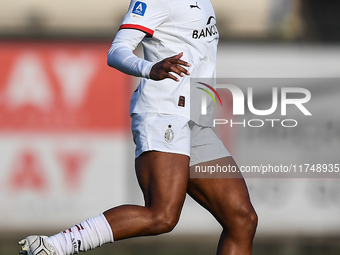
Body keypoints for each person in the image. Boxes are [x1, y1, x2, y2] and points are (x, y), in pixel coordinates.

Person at [18, 0, 258, 255]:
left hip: (197, 120)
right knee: (162, 215)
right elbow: (117, 51)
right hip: (164, 112)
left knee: (242, 219)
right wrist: (149, 68)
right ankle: (53, 246)